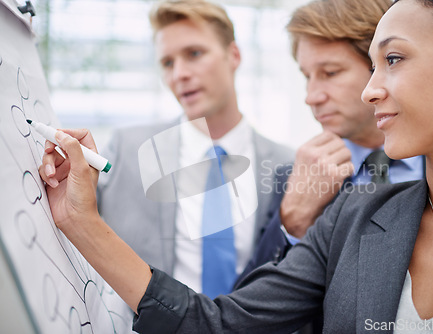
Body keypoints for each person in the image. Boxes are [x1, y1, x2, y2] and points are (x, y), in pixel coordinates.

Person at [40, 0, 433, 332]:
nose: (369, 90)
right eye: (166, 61)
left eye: (393, 60)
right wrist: (79, 220)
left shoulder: (293, 164)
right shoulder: (348, 206)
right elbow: (226, 318)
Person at [95, 0, 293, 299]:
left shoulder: (286, 164)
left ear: (234, 55)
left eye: (194, 54)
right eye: (168, 63)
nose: (180, 74)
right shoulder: (125, 151)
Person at [235, 0, 424, 288]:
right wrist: (291, 222)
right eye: (307, 76)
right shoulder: (293, 177)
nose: (311, 96)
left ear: (382, 65)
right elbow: (245, 308)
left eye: (330, 73)